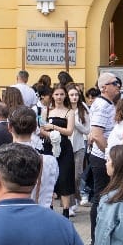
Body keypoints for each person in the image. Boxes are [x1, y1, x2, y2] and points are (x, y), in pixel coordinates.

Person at [84, 72, 122, 235]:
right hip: (103, 159)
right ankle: (95, 238)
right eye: (115, 83)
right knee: (101, 197)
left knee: (107, 197)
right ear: (104, 87)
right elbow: (97, 135)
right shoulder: (102, 105)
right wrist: (110, 156)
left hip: (105, 157)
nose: (118, 86)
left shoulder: (107, 103)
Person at [43, 86, 78, 216]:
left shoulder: (70, 112)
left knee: (65, 178)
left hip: (64, 147)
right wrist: (50, 135)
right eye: (56, 94)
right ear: (52, 95)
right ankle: (50, 209)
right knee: (49, 177)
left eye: (62, 94)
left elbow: (69, 131)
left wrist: (53, 127)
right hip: (49, 146)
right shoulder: (47, 111)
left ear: (65, 96)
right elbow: (41, 129)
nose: (59, 97)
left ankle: (66, 211)